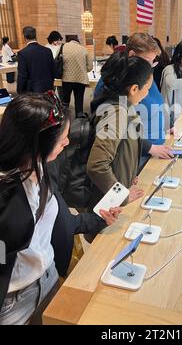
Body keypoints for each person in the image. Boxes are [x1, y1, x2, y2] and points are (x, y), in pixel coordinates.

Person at [0, 92, 121, 325]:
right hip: (12, 301)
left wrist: (99, 219)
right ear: (38, 143)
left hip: (49, 278)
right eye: (62, 138)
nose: (67, 143)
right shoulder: (6, 192)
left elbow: (57, 220)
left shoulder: (45, 168)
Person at [88, 54, 153, 224]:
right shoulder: (117, 113)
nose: (147, 93)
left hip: (115, 196)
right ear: (133, 89)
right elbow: (97, 165)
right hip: (109, 204)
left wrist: (128, 173)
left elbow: (121, 151)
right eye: (147, 88)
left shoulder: (124, 107)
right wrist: (122, 195)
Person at [94, 33, 173, 159]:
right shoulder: (112, 83)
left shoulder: (144, 76)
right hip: (135, 154)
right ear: (131, 55)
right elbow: (115, 127)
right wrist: (150, 147)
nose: (150, 66)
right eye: (147, 61)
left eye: (153, 62)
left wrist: (165, 127)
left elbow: (156, 104)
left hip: (155, 148)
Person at [62, 35, 93, 118]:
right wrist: (82, 70)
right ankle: (79, 118)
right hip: (80, 79)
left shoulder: (63, 47)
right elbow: (90, 66)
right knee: (79, 100)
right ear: (77, 41)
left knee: (65, 101)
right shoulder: (84, 49)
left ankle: (64, 118)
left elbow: (58, 61)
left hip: (66, 78)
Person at [17, 27, 55, 94]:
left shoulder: (23, 53)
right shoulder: (47, 51)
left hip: (32, 91)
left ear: (24, 37)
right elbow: (52, 70)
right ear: (35, 36)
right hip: (48, 88)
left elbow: (22, 76)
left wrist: (20, 91)